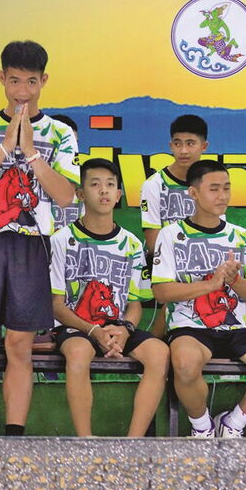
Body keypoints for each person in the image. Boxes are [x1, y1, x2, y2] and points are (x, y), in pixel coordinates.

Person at [0, 40, 79, 436]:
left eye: (32, 82)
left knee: (20, 346)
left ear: (44, 81)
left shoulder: (60, 133)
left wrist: (31, 153)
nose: (23, 91)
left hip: (32, 245)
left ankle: (14, 439)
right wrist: (6, 147)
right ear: (2, 79)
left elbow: (66, 196)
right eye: (15, 81)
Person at [152, 160, 246, 437]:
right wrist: (211, 284)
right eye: (214, 189)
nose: (223, 196)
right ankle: (202, 428)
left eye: (227, 188)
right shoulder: (171, 235)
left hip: (234, 329)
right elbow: (162, 291)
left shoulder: (242, 237)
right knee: (184, 363)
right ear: (193, 193)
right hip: (190, 328)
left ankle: (232, 423)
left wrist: (235, 281)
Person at [50, 158, 169, 436]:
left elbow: (135, 304)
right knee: (78, 353)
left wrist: (125, 330)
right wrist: (93, 330)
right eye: (95, 185)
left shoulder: (131, 244)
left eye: (110, 185)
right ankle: (86, 440)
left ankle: (133, 442)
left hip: (117, 327)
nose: (103, 190)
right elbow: (56, 305)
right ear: (80, 194)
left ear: (118, 195)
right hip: (76, 327)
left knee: (160, 353)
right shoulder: (61, 240)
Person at [141, 114, 211, 337]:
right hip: (165, 261)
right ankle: (156, 343)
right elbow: (153, 243)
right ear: (170, 145)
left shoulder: (211, 182)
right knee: (181, 288)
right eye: (178, 144)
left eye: (190, 144)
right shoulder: (154, 185)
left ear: (204, 146)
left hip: (204, 259)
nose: (183, 151)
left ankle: (228, 338)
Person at [50, 114, 83, 229]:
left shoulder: (85, 183)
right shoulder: (24, 179)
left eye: (74, 144)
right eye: (65, 144)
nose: (71, 150)